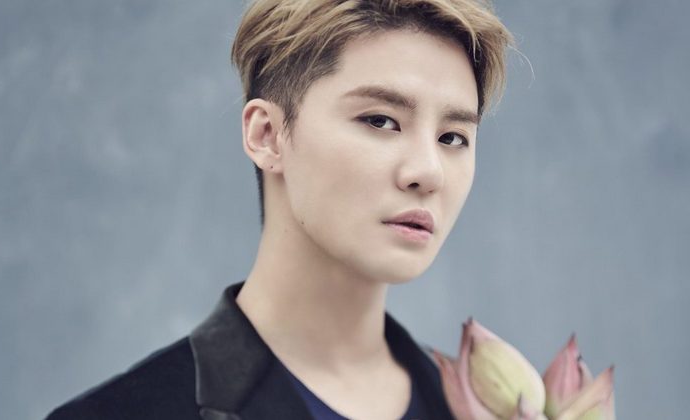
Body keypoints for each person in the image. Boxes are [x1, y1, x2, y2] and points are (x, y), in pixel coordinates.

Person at [46, 0, 512, 419]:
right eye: (380, 120)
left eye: (453, 137)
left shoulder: (485, 410)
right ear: (266, 135)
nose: (429, 172)